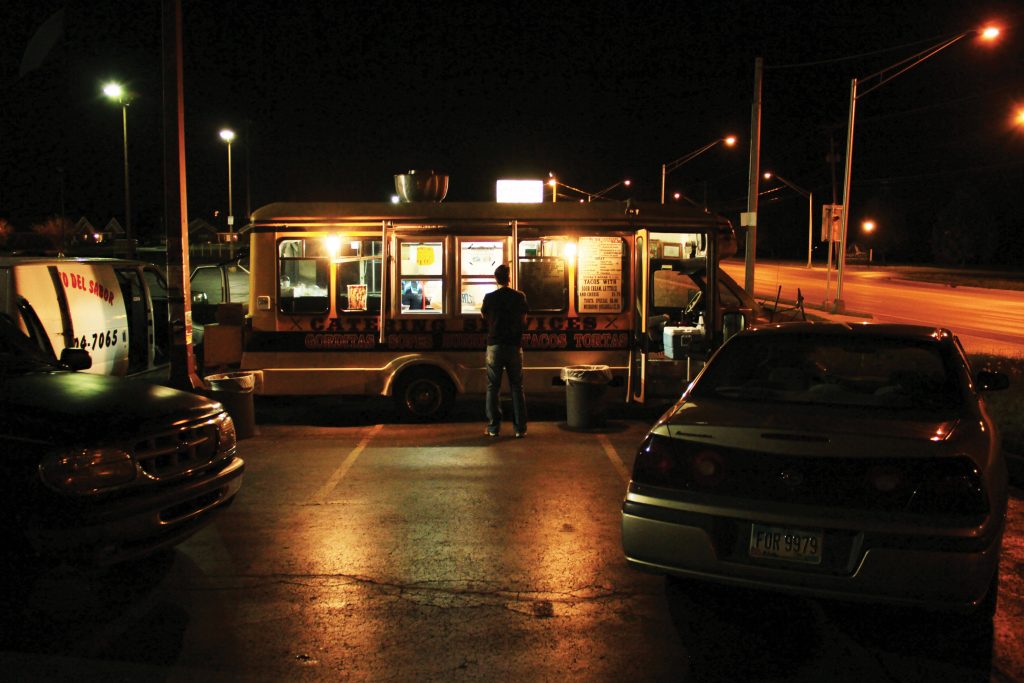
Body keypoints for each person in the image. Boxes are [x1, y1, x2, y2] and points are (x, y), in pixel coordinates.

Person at [480, 264, 529, 438]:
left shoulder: (489, 297)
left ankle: (493, 428)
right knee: (517, 387)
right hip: (514, 346)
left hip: (495, 346)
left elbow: (484, 317)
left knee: (493, 387)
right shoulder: (519, 296)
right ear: (509, 278)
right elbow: (524, 321)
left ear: (496, 278)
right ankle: (520, 429)